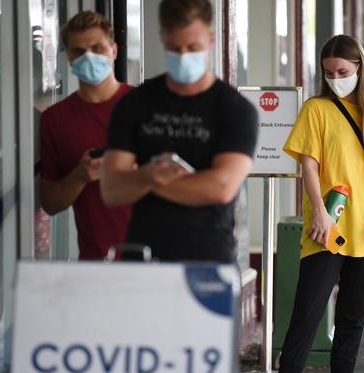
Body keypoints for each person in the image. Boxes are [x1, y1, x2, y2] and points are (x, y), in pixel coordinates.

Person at [257, 34, 364, 373]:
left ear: (360, 69)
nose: (336, 78)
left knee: (353, 317)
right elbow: (308, 167)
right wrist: (318, 212)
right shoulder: (316, 109)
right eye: (329, 72)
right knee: (307, 311)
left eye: (343, 72)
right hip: (328, 228)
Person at [100, 0, 258, 263]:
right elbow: (112, 190)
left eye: (193, 48)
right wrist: (154, 178)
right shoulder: (135, 104)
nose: (184, 56)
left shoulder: (235, 110)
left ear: (210, 40)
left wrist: (146, 179)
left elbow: (221, 187)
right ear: (163, 38)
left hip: (208, 261)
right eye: (175, 48)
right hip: (144, 258)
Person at [40, 11, 132, 260]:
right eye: (78, 51)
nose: (89, 57)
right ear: (68, 57)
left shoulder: (144, 106)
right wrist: (80, 176)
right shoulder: (54, 119)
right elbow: (50, 202)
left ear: (114, 50)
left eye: (97, 48)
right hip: (96, 261)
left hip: (154, 260)